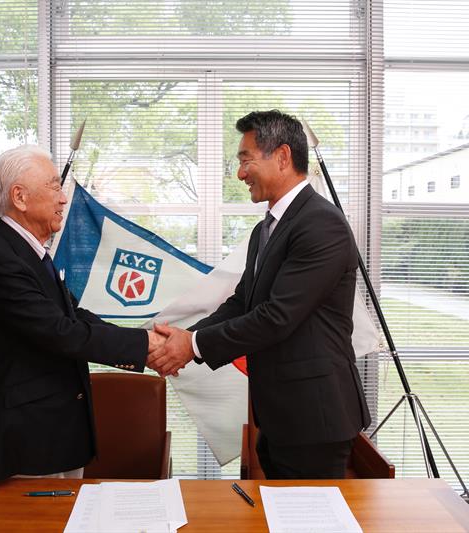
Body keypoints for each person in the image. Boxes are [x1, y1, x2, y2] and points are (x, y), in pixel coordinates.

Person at [148, 110, 371, 479]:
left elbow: (276, 317)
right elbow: (242, 302)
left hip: (315, 418)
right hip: (279, 413)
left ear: (282, 157)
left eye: (245, 159)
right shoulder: (265, 230)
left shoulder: (321, 223)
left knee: (306, 520)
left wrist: (192, 346)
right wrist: (186, 338)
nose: (240, 173)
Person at [0, 145, 164, 481]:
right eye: (54, 187)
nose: (63, 199)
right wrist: (147, 345)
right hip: (27, 446)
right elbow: (60, 333)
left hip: (59, 438)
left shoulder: (29, 254)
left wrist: (144, 343)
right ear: (20, 197)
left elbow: (74, 318)